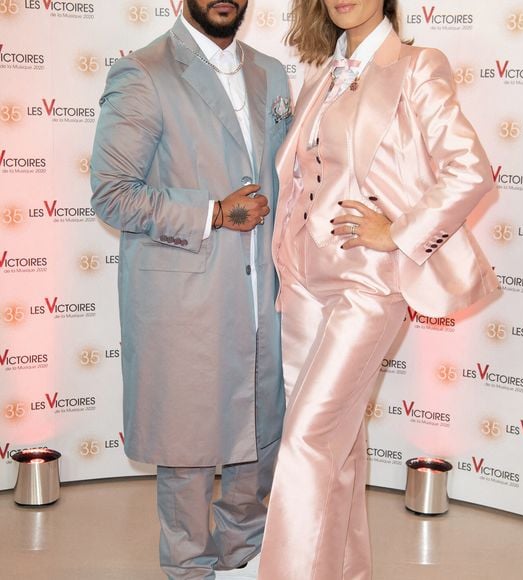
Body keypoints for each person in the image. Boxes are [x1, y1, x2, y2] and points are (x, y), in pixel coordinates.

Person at [258, 1, 500, 579]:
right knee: (336, 453)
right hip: (304, 285)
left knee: (306, 446)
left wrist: (397, 232)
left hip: (367, 288)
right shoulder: (321, 74)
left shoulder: (416, 66)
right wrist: (287, 263)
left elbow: (470, 167)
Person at [90, 1, 291, 578]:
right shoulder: (144, 71)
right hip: (186, 302)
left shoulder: (271, 72)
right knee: (188, 458)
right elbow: (112, 193)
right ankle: (189, 569)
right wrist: (211, 212)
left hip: (263, 299)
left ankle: (243, 561)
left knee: (259, 442)